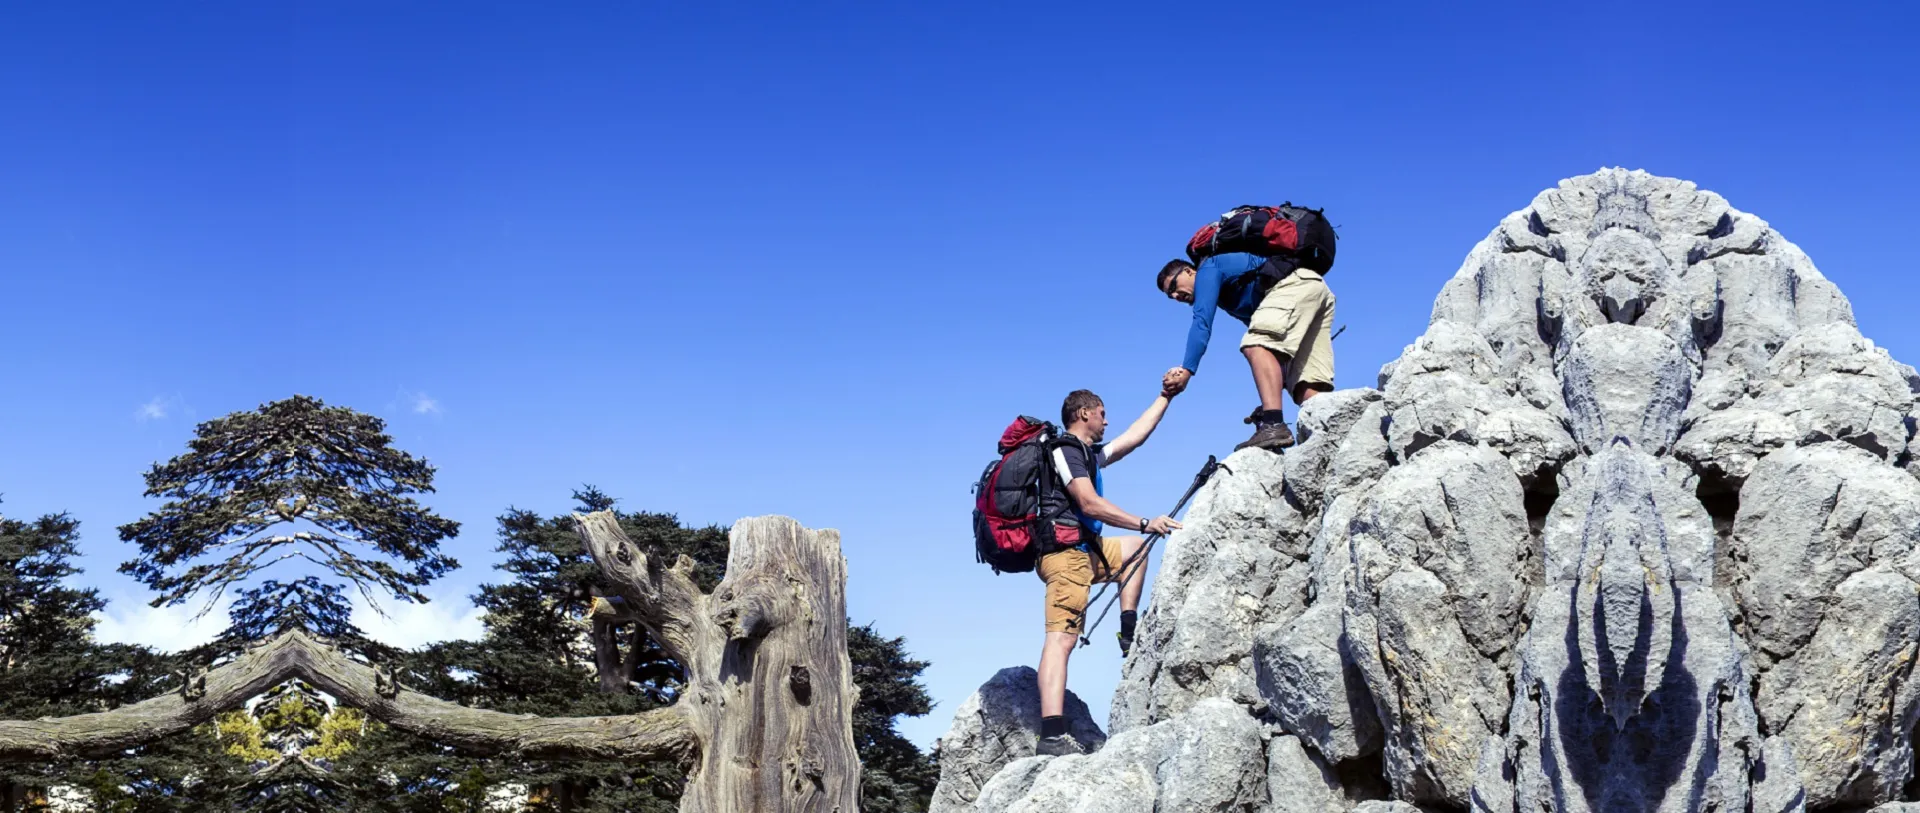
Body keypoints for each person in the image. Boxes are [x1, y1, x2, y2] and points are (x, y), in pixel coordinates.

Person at [1033, 386, 1183, 756]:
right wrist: (1144, 521)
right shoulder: (1064, 450)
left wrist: (1166, 396)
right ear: (1084, 414)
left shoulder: (1088, 454)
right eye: (1102, 413)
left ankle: (1128, 632)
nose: (1107, 421)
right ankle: (1051, 735)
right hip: (1065, 557)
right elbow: (1088, 502)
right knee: (1061, 639)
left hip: (1087, 552)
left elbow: (1134, 437)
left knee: (1134, 551)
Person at [1157, 252, 1335, 451]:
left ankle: (1273, 424)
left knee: (1255, 344)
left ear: (1189, 271)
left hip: (1293, 286)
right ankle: (1330, 435)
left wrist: (1187, 370)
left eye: (1173, 286)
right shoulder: (1229, 294)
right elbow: (1269, 341)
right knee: (1303, 383)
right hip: (1314, 289)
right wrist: (1274, 388)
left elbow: (1202, 322)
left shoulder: (1208, 270)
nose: (1174, 296)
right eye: (1169, 295)